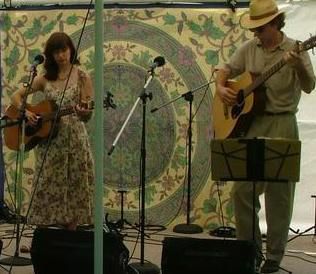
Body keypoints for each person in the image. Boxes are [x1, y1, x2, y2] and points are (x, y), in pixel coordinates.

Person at [215, 0, 315, 273]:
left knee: (278, 195)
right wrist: (221, 87)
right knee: (242, 191)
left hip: (282, 124)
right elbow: (226, 69)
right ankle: (248, 250)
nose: (255, 34)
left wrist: (298, 66)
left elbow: (309, 86)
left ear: (275, 23)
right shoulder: (249, 49)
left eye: (260, 29)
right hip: (252, 125)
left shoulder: (296, 48)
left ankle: (273, 257)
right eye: (254, 29)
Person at [10, 32, 94, 231]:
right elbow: (16, 96)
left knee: (75, 184)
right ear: (51, 55)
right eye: (56, 52)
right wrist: (27, 111)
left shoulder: (82, 76)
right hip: (49, 141)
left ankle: (70, 236)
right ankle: (45, 237)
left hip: (75, 140)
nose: (61, 56)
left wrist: (83, 112)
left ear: (71, 49)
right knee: (47, 184)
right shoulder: (44, 79)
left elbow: (87, 114)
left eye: (64, 50)